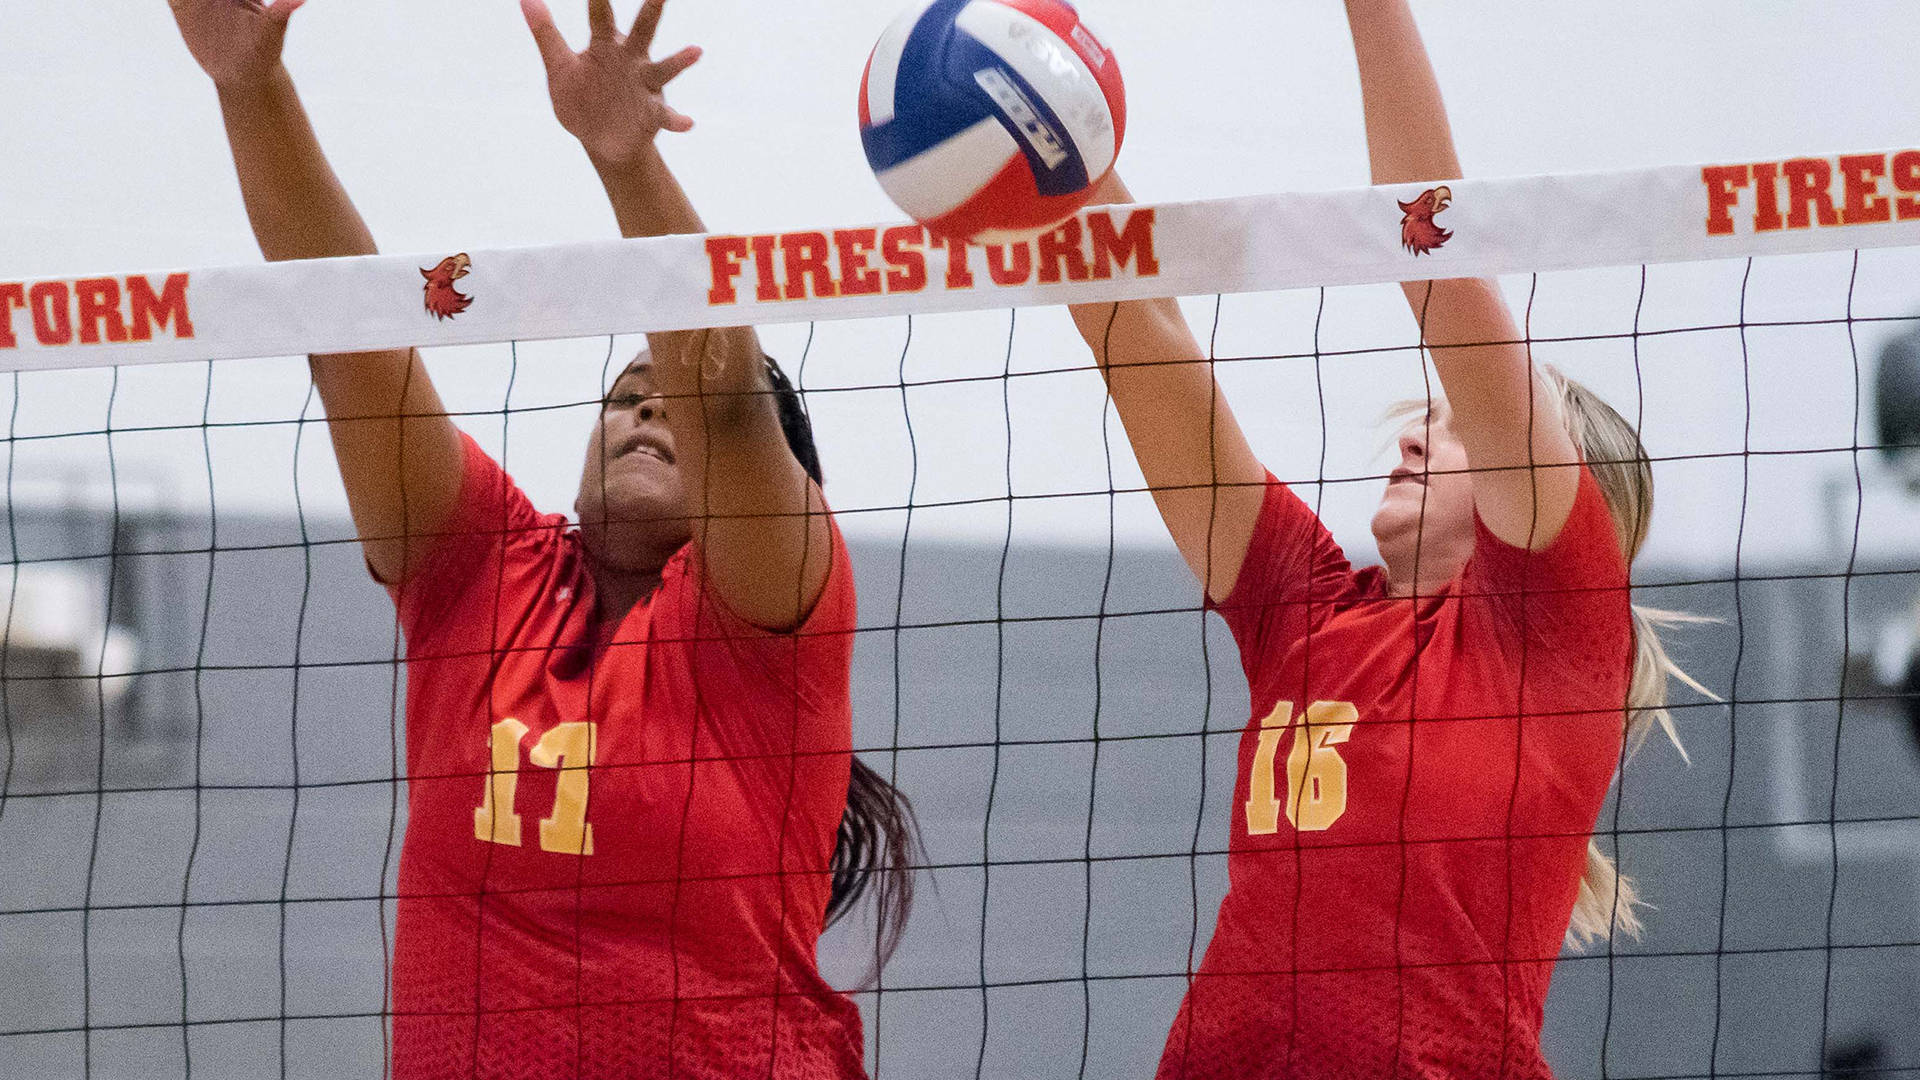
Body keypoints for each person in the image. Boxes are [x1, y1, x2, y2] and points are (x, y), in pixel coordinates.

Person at [163, 0, 918, 1076]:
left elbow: (729, 397)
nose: (646, 412)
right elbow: (349, 333)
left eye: (669, 403)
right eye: (622, 396)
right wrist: (250, 87)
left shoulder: (770, 625)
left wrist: (625, 164)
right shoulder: (481, 573)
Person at [1067, 2, 1698, 1076]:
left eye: (1452, 426)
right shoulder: (1306, 608)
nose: (1412, 434)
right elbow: (1140, 333)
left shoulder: (1555, 633)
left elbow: (1442, 261)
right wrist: (1051, 138)